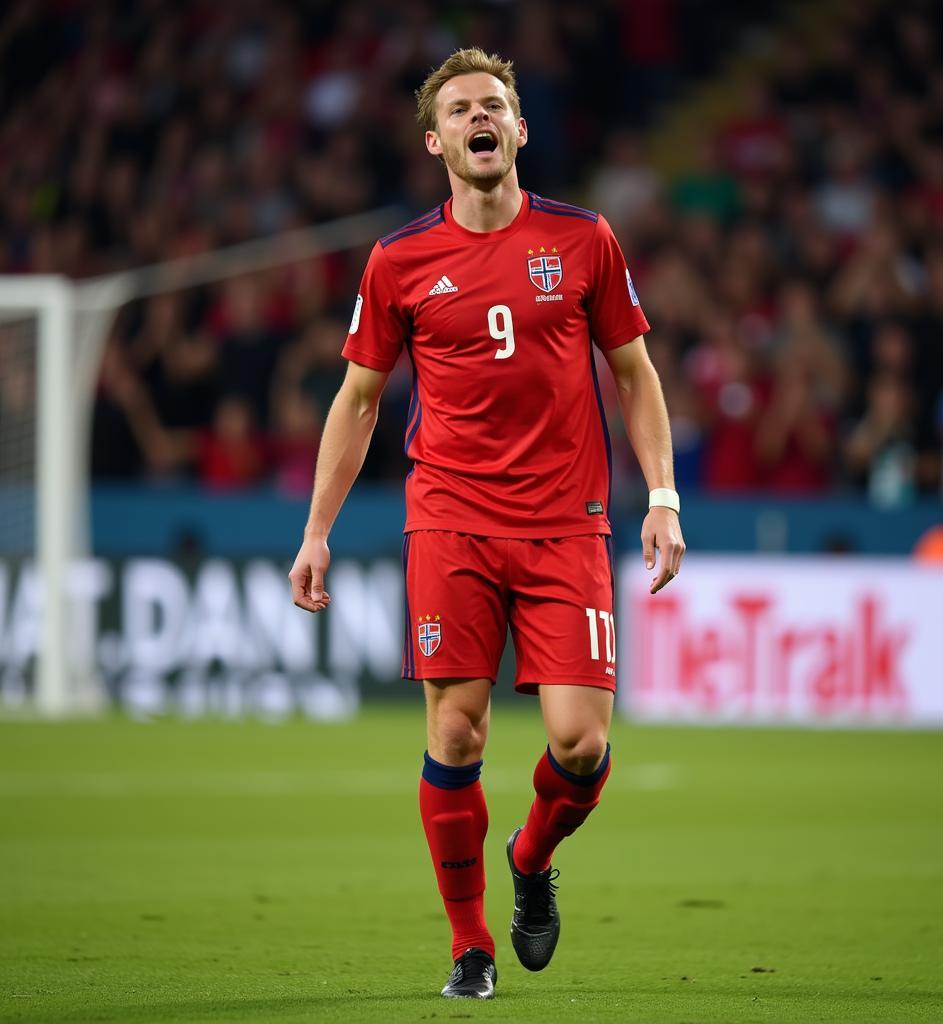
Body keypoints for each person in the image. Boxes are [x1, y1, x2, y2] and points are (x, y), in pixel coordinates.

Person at [288, 48, 685, 1000]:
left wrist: (663, 497)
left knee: (581, 744)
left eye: (494, 105)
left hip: (566, 525)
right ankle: (471, 948)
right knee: (456, 732)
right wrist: (316, 530)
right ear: (437, 141)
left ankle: (531, 856)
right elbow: (357, 401)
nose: (480, 117)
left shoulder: (584, 240)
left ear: (518, 131)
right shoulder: (398, 261)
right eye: (462, 107)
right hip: (450, 521)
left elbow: (633, 372)